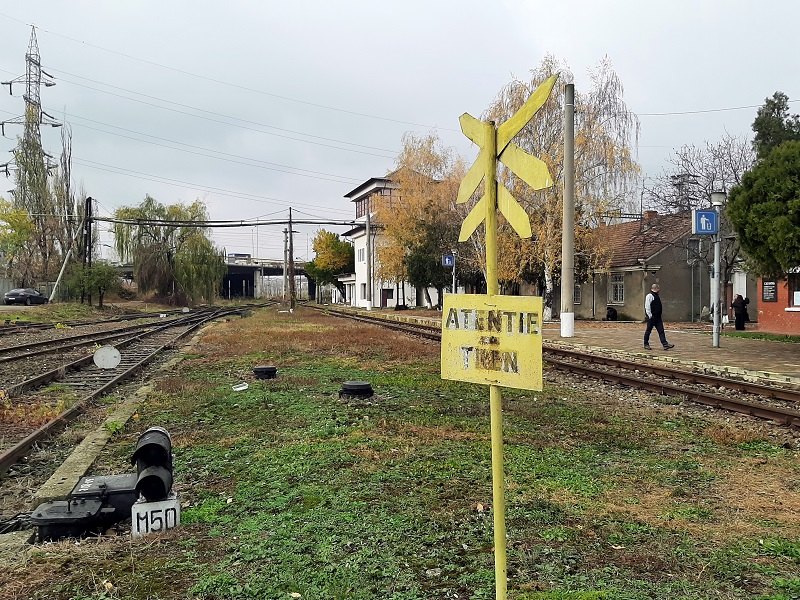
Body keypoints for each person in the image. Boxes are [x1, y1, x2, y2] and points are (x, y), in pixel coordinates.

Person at [643, 283, 674, 350]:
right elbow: (647, 306)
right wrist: (650, 315)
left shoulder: (656, 295)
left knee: (661, 330)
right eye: (658, 289)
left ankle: (665, 344)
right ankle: (646, 344)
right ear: (657, 289)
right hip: (652, 317)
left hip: (658, 317)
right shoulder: (650, 296)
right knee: (648, 331)